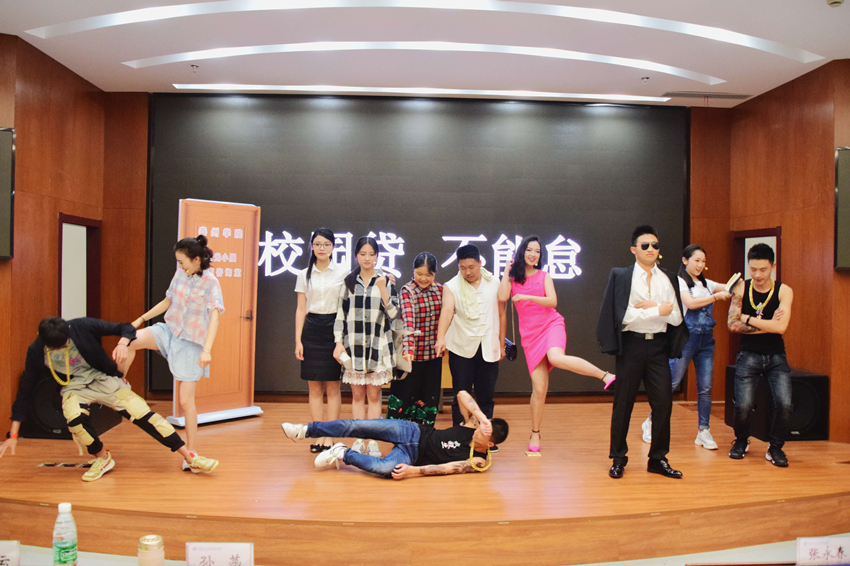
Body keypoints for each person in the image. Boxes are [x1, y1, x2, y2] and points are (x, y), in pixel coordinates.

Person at [0, 317, 212, 481]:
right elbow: (26, 389)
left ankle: (190, 457)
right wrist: (14, 433)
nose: (62, 349)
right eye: (57, 348)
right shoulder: (36, 350)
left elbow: (125, 327)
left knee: (143, 414)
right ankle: (102, 458)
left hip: (102, 378)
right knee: (75, 420)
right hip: (75, 386)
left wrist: (122, 344)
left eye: (65, 344)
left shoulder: (80, 326)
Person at [497, 236, 615, 452]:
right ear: (522, 251)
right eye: (530, 250)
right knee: (539, 388)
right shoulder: (513, 278)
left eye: (537, 251)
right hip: (530, 336)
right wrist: (506, 270)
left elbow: (552, 301)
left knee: (556, 357)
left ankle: (605, 376)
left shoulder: (544, 276)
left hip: (551, 324)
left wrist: (527, 297)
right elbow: (503, 296)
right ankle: (535, 433)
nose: (533, 254)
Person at [124, 234, 223, 471]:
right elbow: (167, 301)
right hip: (170, 330)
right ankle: (119, 384)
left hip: (191, 343)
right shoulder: (180, 274)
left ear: (196, 259)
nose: (179, 266)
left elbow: (214, 317)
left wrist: (207, 350)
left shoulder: (211, 283)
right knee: (130, 341)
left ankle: (191, 453)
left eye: (182, 262)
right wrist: (140, 319)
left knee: (186, 401)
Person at [596, 225, 688, 479]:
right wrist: (658, 310)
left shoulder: (668, 278)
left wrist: (651, 307)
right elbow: (624, 317)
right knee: (623, 404)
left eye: (655, 245)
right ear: (633, 249)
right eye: (645, 245)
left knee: (663, 404)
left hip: (658, 347)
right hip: (632, 346)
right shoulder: (622, 276)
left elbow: (677, 318)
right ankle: (618, 458)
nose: (651, 249)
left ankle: (658, 459)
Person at [281, 391, 508, 479]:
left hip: (412, 457)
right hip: (413, 431)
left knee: (385, 470)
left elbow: (447, 468)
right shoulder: (472, 424)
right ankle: (305, 430)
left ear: (490, 444)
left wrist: (413, 471)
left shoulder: (479, 461)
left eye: (482, 434)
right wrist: (482, 417)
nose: (477, 432)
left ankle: (342, 453)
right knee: (357, 426)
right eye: (480, 427)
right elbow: (462, 394)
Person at [641, 244, 730, 450]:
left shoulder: (707, 283)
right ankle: (651, 421)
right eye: (696, 260)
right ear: (685, 260)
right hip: (686, 339)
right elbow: (690, 303)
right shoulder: (679, 281)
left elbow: (730, 287)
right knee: (671, 384)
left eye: (703, 261)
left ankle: (703, 431)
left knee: (705, 388)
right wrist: (716, 297)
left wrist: (739, 284)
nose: (700, 265)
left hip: (706, 341)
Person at [727, 243, 794, 467]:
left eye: (763, 269)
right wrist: (769, 324)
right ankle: (741, 441)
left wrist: (747, 318)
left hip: (776, 356)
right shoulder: (741, 288)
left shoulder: (784, 291)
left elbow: (781, 328)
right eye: (753, 269)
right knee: (743, 406)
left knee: (784, 404)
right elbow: (732, 325)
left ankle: (775, 448)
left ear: (773, 266)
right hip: (748, 354)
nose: (757, 275)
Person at [333, 236, 399, 458]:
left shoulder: (386, 280)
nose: (367, 258)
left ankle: (373, 442)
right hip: (354, 347)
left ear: (377, 256)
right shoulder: (348, 282)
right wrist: (338, 342)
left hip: (377, 346)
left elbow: (394, 315)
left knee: (374, 395)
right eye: (363, 254)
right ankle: (359, 440)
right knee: (357, 395)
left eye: (371, 254)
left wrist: (383, 290)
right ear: (356, 256)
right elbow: (341, 314)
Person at [435, 244, 506, 444]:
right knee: (460, 394)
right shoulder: (452, 286)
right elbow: (447, 311)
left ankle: (485, 440)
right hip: (461, 348)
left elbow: (501, 314)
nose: (467, 272)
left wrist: (502, 344)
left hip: (488, 347)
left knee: (486, 396)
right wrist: (440, 338)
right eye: (463, 267)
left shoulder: (494, 282)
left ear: (480, 263)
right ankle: (460, 439)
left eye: (471, 267)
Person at [295, 228, 345, 453]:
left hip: (334, 328)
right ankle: (317, 435)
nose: (321, 248)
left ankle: (330, 437)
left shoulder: (343, 272)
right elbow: (300, 309)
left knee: (333, 387)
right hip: (311, 330)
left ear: (333, 247)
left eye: (326, 244)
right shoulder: (303, 274)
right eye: (317, 244)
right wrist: (298, 340)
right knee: (314, 387)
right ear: (312, 246)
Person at [387, 252, 443, 427]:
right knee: (406, 397)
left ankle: (425, 436)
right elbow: (408, 321)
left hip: (433, 356)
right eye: (419, 274)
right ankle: (400, 435)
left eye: (428, 274)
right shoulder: (407, 291)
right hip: (411, 356)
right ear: (413, 272)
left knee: (429, 397)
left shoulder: (440, 290)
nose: (423, 278)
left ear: (434, 273)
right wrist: (408, 348)